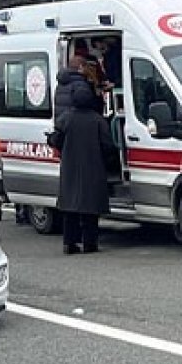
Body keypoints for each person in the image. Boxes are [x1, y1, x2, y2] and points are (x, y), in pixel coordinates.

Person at [54, 55, 116, 254]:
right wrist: (109, 163)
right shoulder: (98, 120)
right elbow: (107, 145)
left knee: (70, 210)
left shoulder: (66, 118)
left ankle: (69, 244)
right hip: (93, 167)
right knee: (91, 210)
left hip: (70, 166)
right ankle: (90, 243)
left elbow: (56, 140)